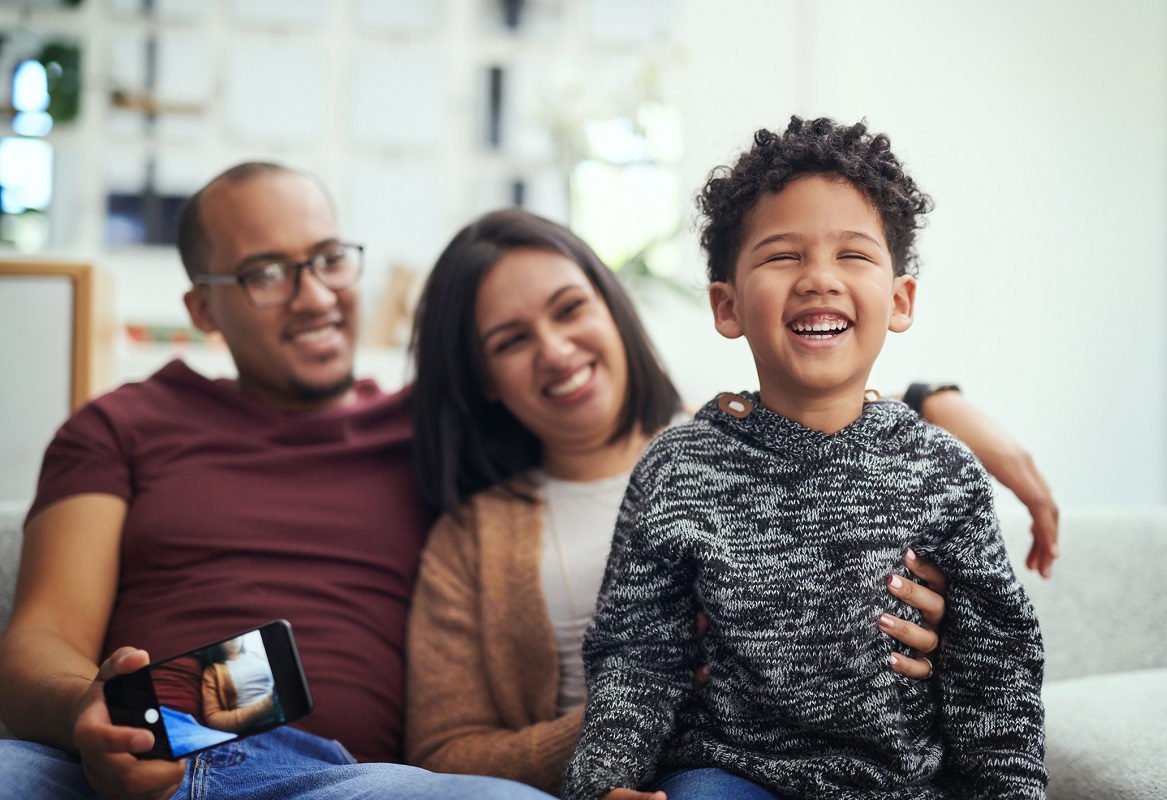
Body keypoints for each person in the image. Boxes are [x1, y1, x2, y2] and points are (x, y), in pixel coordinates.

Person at [404, 208, 1051, 796]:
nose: (554, 349)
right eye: (511, 341)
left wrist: (933, 401)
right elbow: (447, 749)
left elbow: (825, 423)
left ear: (614, 308)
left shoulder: (735, 441)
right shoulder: (475, 537)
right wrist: (640, 727)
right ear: (481, 376)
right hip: (680, 768)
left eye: (570, 308)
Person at [0, 162, 554, 800]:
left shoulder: (434, 429)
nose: (316, 296)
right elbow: (41, 638)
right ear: (203, 308)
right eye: (266, 273)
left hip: (342, 780)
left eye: (330, 258)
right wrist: (95, 716)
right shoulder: (121, 424)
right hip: (116, 767)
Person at [558, 117, 1047, 800]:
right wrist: (605, 783)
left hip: (895, 786)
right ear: (726, 306)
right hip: (728, 774)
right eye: (783, 255)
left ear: (900, 301)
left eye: (853, 254)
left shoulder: (945, 472)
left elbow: (995, 669)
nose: (819, 277)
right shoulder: (677, 470)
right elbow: (638, 658)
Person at [199, 636, 281, 734]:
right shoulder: (212, 672)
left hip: (284, 715)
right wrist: (266, 706)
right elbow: (213, 719)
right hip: (256, 731)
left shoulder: (260, 654)